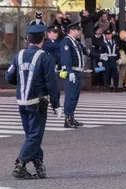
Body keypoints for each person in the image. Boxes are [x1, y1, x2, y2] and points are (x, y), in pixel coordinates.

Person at [5, 24, 62, 179]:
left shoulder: (19, 55)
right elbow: (51, 83)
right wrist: (56, 105)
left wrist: (22, 81)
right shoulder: (46, 57)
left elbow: (9, 77)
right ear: (42, 39)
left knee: (31, 135)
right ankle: (21, 164)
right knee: (35, 135)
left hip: (21, 101)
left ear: (28, 39)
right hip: (37, 102)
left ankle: (39, 164)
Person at [59, 23, 89, 128]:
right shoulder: (66, 42)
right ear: (72, 31)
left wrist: (100, 55)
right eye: (78, 30)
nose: (79, 32)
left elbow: (85, 52)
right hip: (71, 72)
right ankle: (67, 119)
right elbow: (65, 58)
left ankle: (71, 117)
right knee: (70, 96)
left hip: (77, 72)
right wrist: (69, 71)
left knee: (75, 96)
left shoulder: (75, 42)